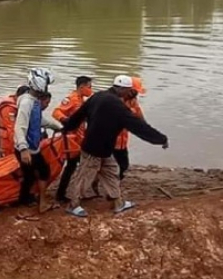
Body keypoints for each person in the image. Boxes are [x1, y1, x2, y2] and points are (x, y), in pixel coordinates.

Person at [61, 75, 168, 218]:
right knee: (85, 176)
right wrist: (161, 139)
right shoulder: (118, 107)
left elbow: (79, 115)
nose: (131, 93)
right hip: (94, 148)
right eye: (129, 90)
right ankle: (72, 205)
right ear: (123, 90)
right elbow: (139, 127)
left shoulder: (98, 96)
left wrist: (67, 127)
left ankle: (118, 203)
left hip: (103, 148)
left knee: (112, 171)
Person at [14, 68, 63, 213]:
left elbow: (38, 120)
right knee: (44, 172)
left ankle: (24, 199)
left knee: (29, 175)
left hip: (29, 146)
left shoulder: (31, 100)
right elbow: (19, 126)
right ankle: (42, 204)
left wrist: (57, 126)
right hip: (28, 148)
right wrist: (23, 149)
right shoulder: (27, 103)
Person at [52, 76, 94, 203]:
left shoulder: (82, 100)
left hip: (80, 138)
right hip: (72, 140)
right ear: (81, 87)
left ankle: (78, 191)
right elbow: (56, 112)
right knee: (72, 166)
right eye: (89, 87)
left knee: (82, 165)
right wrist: (67, 121)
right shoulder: (71, 99)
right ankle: (61, 194)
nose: (91, 89)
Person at [113, 77, 146, 181]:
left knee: (124, 165)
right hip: (111, 140)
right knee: (108, 166)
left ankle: (115, 185)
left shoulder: (133, 101)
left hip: (123, 140)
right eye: (135, 91)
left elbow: (139, 115)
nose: (137, 93)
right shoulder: (115, 100)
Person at [0, 85, 30, 157]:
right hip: (8, 144)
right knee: (8, 163)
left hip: (16, 141)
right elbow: (11, 130)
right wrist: (21, 148)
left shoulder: (18, 105)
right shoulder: (8, 109)